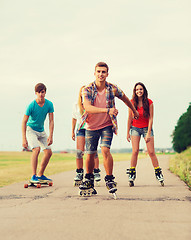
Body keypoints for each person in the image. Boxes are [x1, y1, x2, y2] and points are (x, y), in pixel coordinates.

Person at [78, 62, 139, 196]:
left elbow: (125, 99)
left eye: (103, 72)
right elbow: (87, 108)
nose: (101, 74)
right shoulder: (87, 89)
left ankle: (109, 179)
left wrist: (134, 110)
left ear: (107, 74)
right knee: (90, 153)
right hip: (91, 126)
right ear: (94, 73)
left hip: (107, 125)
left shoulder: (112, 88)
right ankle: (88, 179)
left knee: (105, 149)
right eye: (98, 71)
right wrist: (107, 110)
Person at [126, 82, 164, 186]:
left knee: (151, 152)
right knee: (135, 151)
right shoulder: (131, 102)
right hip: (135, 128)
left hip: (147, 128)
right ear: (135, 91)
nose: (139, 91)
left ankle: (158, 173)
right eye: (137, 89)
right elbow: (129, 118)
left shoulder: (149, 102)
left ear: (144, 91)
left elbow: (151, 118)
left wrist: (148, 133)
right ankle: (132, 173)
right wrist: (127, 132)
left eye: (141, 89)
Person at [22, 83, 54, 184]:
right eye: (39, 92)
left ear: (45, 92)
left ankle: (40, 174)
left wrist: (50, 135)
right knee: (36, 149)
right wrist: (24, 139)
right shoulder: (31, 105)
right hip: (31, 130)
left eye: (42, 92)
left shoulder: (49, 104)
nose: (41, 94)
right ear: (36, 93)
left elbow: (51, 121)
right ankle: (33, 176)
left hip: (41, 131)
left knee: (48, 152)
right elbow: (24, 121)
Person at [72, 86, 101, 186]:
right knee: (79, 152)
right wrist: (72, 131)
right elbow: (74, 118)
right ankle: (79, 172)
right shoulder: (76, 105)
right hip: (80, 129)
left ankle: (96, 171)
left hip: (91, 129)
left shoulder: (92, 104)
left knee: (93, 152)